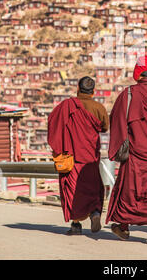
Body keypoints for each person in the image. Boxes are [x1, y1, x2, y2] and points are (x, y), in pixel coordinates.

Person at [106, 55, 147, 244]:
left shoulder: (129, 94)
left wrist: (120, 143)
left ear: (138, 73)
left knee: (131, 189)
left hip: (136, 150)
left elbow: (116, 119)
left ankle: (124, 227)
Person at [48, 76, 109, 235]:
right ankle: (95, 213)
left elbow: (53, 122)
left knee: (74, 189)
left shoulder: (67, 106)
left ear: (78, 89)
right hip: (91, 156)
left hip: (72, 156)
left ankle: (76, 225)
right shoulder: (99, 107)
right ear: (93, 91)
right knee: (93, 187)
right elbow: (105, 127)